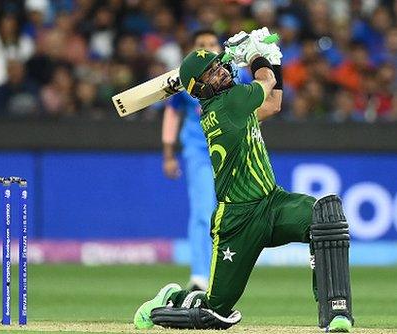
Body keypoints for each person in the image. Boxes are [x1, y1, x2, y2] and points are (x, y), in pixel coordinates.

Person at [134, 29, 354, 332]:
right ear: (199, 89)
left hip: (272, 202)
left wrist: (270, 61)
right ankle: (171, 299)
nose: (221, 71)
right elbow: (267, 82)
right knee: (215, 311)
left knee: (325, 216)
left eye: (218, 64)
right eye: (211, 72)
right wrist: (258, 55)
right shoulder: (228, 106)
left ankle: (335, 313)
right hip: (238, 219)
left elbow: (273, 103)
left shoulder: (233, 103)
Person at [162, 29, 236, 291]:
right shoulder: (184, 79)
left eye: (211, 44)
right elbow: (172, 114)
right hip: (199, 151)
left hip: (231, 152)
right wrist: (169, 153)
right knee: (203, 212)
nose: (206, 48)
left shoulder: (236, 75)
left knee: (231, 213)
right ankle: (200, 276)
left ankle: (226, 273)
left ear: (220, 47)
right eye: (200, 45)